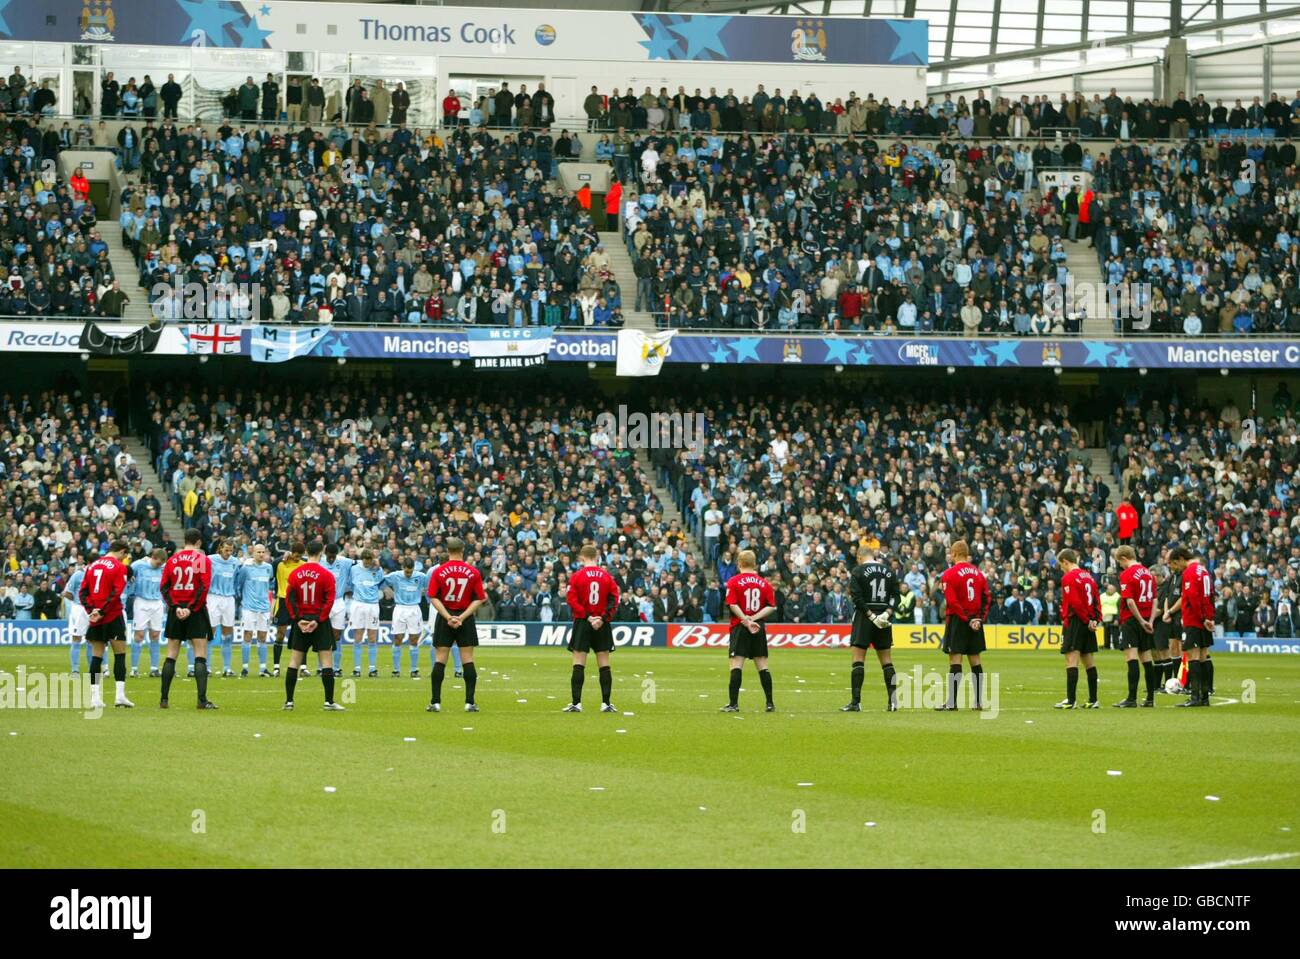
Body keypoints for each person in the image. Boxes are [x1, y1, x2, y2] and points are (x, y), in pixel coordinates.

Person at [426, 538, 486, 713]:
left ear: (447, 549)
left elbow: (433, 597)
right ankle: (470, 702)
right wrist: (462, 617)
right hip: (465, 618)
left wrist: (447, 616)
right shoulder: (473, 572)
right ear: (463, 549)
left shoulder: (439, 571)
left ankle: (435, 702)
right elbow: (479, 598)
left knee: (440, 658)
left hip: (445, 617)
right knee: (467, 658)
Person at [282, 540, 344, 711]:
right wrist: (318, 620)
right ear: (322, 552)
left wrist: (297, 619)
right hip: (320, 622)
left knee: (295, 660)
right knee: (326, 660)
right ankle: (329, 701)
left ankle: (289, 701)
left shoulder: (295, 573)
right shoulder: (326, 575)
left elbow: (289, 599)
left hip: (301, 620)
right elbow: (329, 600)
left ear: (306, 552)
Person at [159, 529, 217, 710]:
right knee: (200, 654)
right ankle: (201, 700)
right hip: (196, 610)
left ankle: (164, 699)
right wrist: (190, 608)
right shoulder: (201, 560)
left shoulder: (172, 560)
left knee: (171, 654)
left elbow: (164, 587)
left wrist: (176, 607)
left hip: (176, 610)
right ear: (198, 542)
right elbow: (203, 587)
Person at [562, 544, 621, 713]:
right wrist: (601, 618)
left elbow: (572, 600)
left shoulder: (577, 576)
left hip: (583, 622)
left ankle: (576, 703)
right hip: (602, 624)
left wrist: (588, 616)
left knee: (579, 662)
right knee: (604, 663)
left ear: (582, 557)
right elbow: (613, 600)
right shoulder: (607, 577)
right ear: (596, 556)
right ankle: (606, 703)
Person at [842, 545, 899, 712]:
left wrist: (870, 615)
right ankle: (893, 702)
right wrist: (887, 613)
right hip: (883, 618)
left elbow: (857, 598)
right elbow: (896, 596)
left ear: (860, 557)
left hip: (864, 619)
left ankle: (855, 702)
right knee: (887, 661)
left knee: (858, 659)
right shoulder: (889, 571)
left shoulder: (858, 571)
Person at [720, 549, 777, 713]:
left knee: (736, 664)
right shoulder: (764, 583)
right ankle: (770, 703)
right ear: (754, 564)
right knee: (762, 666)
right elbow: (771, 606)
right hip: (758, 627)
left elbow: (732, 604)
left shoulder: (734, 581)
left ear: (739, 563)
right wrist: (754, 619)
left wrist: (745, 620)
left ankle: (733, 704)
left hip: (740, 627)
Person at [937, 539, 991, 711]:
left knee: (955, 659)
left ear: (953, 554)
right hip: (975, 620)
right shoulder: (978, 573)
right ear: (966, 554)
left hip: (958, 620)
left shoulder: (949, 574)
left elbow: (952, 602)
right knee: (975, 659)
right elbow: (987, 598)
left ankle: (952, 702)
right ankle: (978, 701)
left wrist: (966, 619)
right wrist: (979, 619)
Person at [79, 540, 133, 710]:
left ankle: (95, 698)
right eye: (125, 556)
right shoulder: (119, 567)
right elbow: (117, 592)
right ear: (122, 552)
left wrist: (92, 611)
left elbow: (83, 592)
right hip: (112, 615)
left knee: (96, 656)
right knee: (120, 654)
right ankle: (119, 696)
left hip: (96, 618)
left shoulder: (93, 566)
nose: (125, 559)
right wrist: (101, 611)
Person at [1055, 548, 1102, 709]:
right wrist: (1095, 619)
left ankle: (1071, 700)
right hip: (1088, 623)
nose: (1061, 568)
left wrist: (1087, 620)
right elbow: (1096, 599)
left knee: (1071, 659)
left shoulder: (1069, 577)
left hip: (1076, 621)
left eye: (1061, 565)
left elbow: (1075, 603)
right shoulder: (1088, 576)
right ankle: (1093, 699)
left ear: (1065, 562)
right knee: (1089, 660)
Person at [1168, 546, 1215, 707]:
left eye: (1174, 564)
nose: (1175, 568)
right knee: (1202, 657)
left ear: (1181, 559)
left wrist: (1202, 619)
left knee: (1193, 657)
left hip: (1194, 620)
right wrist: (1209, 618)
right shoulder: (1203, 570)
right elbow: (1210, 596)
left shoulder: (1190, 572)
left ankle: (1195, 697)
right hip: (1204, 619)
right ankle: (1204, 697)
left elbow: (1193, 597)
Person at [1113, 546, 1157, 707]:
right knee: (1146, 658)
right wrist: (1150, 621)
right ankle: (1150, 698)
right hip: (1146, 618)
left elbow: (1130, 601)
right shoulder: (1148, 573)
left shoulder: (1127, 574)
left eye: (1120, 562)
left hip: (1132, 620)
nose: (1120, 566)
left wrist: (1140, 621)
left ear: (1124, 558)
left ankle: (1131, 698)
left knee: (1131, 657)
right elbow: (1155, 600)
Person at [383, 556, 428, 678]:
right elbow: (381, 581)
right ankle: (396, 670)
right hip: (400, 608)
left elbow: (431, 585)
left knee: (414, 640)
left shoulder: (420, 576)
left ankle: (414, 669)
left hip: (414, 608)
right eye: (406, 571)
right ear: (403, 568)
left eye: (410, 571)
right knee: (398, 638)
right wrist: (388, 592)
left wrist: (426, 593)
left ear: (413, 569)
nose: (408, 574)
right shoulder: (395, 575)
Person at [235, 544, 275, 678]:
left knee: (262, 637)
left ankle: (263, 669)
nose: (261, 554)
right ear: (253, 553)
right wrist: (243, 600)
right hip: (249, 607)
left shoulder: (268, 568)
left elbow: (269, 585)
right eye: (258, 552)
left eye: (263, 552)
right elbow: (239, 585)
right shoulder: (246, 568)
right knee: (247, 635)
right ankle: (245, 668)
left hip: (264, 608)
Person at [127, 549, 166, 680]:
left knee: (155, 635)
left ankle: (154, 668)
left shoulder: (163, 568)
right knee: (139, 635)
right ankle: (134, 669)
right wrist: (129, 578)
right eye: (158, 563)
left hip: (157, 602)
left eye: (161, 564)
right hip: (141, 602)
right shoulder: (139, 565)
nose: (159, 566)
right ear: (153, 557)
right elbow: (126, 572)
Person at [348, 549, 385, 678]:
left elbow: (380, 584)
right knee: (358, 636)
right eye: (366, 561)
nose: (368, 563)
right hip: (358, 604)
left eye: (370, 560)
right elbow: (350, 584)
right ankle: (357, 668)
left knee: (372, 637)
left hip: (373, 605)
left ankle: (372, 669)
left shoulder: (378, 570)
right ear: (362, 559)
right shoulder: (354, 569)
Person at [207, 540, 240, 677]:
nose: (228, 553)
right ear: (220, 548)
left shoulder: (235, 562)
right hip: (213, 597)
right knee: (210, 633)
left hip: (228, 599)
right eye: (226, 550)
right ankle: (207, 667)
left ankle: (227, 668)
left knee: (227, 634)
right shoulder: (210, 560)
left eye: (230, 551)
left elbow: (237, 579)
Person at [272, 542, 305, 678]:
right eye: (296, 555)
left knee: (302, 633)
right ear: (292, 552)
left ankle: (303, 667)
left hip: (298, 602)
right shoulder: (281, 564)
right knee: (280, 633)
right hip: (283, 601)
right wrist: (283, 557)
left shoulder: (303, 564)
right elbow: (273, 563)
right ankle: (276, 667)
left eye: (300, 556)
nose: (298, 558)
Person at [322, 543, 354, 677]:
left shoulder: (345, 562)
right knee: (322, 636)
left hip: (338, 601)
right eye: (329, 556)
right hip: (323, 602)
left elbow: (360, 562)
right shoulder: (320, 562)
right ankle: (322, 667)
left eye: (333, 557)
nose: (331, 559)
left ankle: (336, 667)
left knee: (337, 636)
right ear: (325, 554)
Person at [63, 564, 89, 675]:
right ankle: (75, 669)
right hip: (78, 608)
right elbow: (67, 592)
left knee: (92, 640)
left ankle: (92, 670)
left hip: (92, 609)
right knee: (76, 638)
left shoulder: (99, 574)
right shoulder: (78, 575)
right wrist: (77, 599)